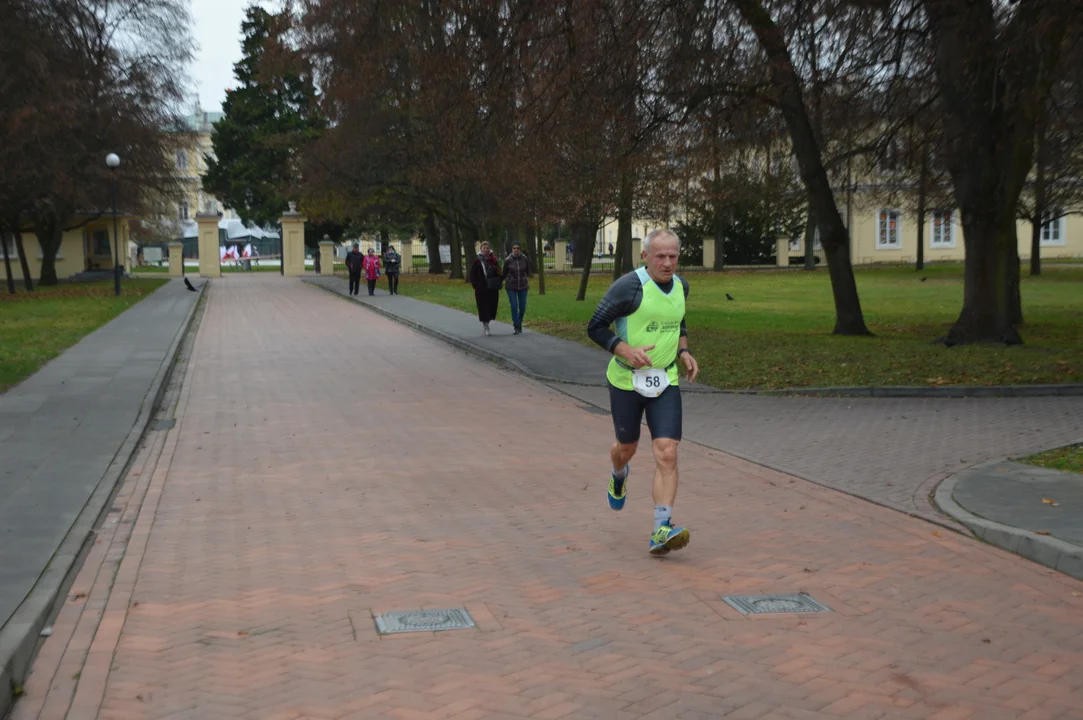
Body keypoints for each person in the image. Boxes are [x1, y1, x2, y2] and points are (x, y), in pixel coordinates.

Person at [586, 228, 699, 556]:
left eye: (673, 256)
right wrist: (623, 349)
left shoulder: (681, 286)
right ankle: (618, 473)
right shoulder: (629, 287)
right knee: (627, 447)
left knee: (667, 452)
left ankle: (661, 529)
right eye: (660, 256)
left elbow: (678, 322)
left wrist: (684, 352)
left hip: (665, 381)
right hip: (626, 381)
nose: (667, 263)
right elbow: (594, 326)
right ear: (645, 256)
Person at [468, 241, 502, 336]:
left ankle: (488, 321)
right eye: (484, 248)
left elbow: (500, 272)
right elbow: (472, 274)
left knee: (492, 307)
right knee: (483, 308)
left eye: (487, 248)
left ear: (489, 249)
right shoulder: (477, 261)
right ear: (481, 249)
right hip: (481, 288)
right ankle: (486, 326)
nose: (485, 250)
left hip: (492, 288)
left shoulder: (494, 260)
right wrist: (476, 285)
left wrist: (498, 279)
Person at [502, 242, 531, 334]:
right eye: (514, 248)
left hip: (523, 285)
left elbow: (527, 271)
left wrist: (525, 279)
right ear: (512, 249)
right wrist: (508, 280)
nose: (516, 250)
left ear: (520, 249)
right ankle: (516, 325)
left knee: (522, 307)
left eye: (518, 248)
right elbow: (504, 273)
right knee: (514, 305)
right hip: (511, 286)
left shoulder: (524, 258)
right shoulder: (508, 260)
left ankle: (519, 322)